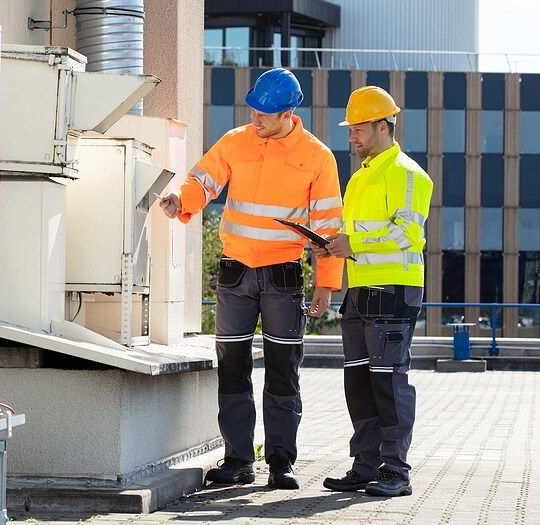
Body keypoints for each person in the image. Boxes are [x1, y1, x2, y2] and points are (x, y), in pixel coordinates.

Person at [159, 68, 343, 490]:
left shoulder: (317, 157)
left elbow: (328, 227)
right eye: (254, 110)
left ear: (289, 113)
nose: (255, 118)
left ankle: (280, 462)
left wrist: (326, 283)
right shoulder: (235, 141)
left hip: (283, 277)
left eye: (264, 114)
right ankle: (239, 460)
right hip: (236, 272)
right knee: (232, 369)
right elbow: (202, 181)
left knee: (283, 372)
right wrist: (180, 200)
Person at [315, 86, 433, 497]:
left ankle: (396, 471)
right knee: (360, 383)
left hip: (394, 292)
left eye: (358, 129)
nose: (352, 136)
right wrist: (333, 244)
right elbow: (356, 234)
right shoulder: (361, 177)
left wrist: (354, 243)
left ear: (383, 126)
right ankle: (365, 466)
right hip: (361, 291)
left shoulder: (407, 174)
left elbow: (407, 234)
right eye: (351, 129)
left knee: (388, 382)